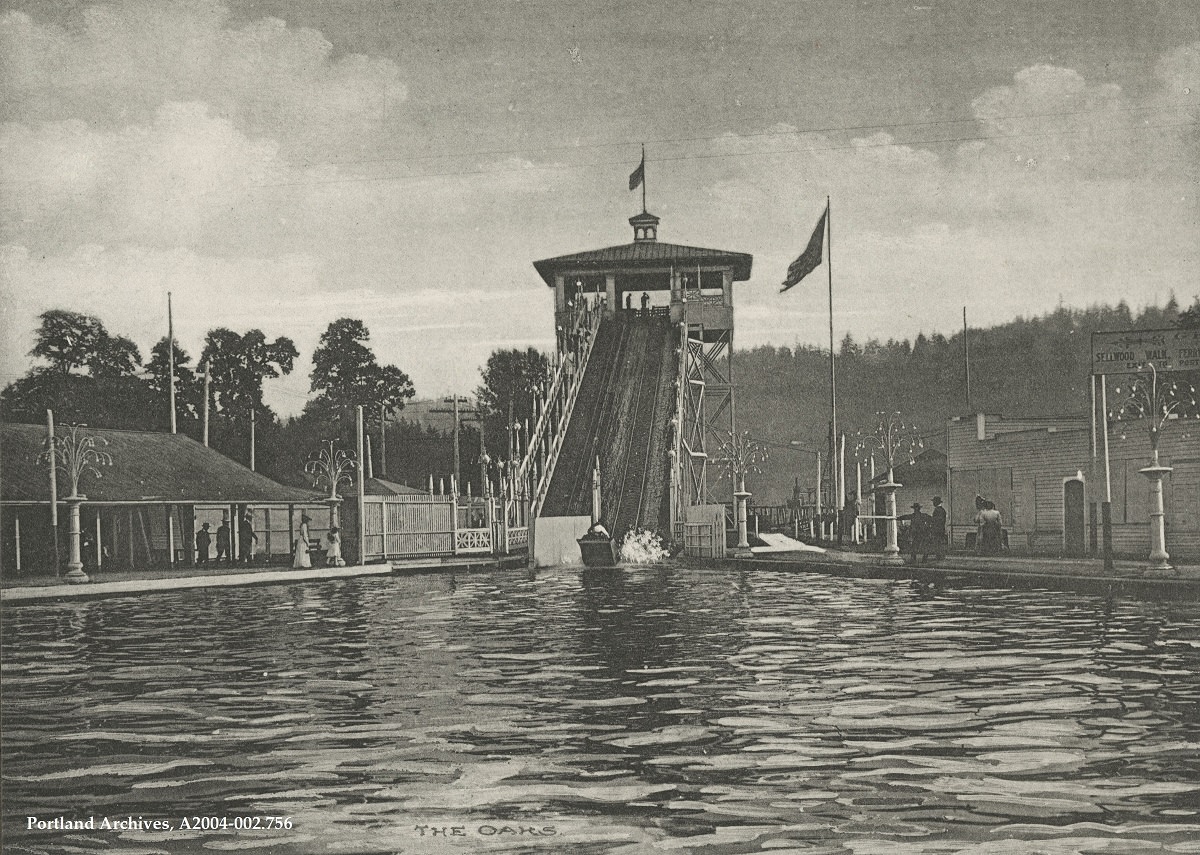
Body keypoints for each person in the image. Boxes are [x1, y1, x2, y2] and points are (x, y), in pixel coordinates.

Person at [930, 496, 947, 560]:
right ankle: (941, 556)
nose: (933, 503)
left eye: (934, 502)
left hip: (937, 530)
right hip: (941, 529)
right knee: (940, 543)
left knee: (937, 543)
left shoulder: (937, 510)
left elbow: (936, 521)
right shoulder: (942, 510)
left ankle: (939, 556)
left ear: (936, 502)